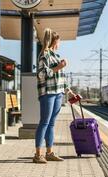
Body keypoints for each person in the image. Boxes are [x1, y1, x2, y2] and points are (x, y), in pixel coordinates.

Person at [34, 28, 75, 164]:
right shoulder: (44, 55)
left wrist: (68, 91)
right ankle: (38, 154)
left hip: (58, 93)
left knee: (51, 124)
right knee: (44, 122)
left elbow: (61, 78)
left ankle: (49, 152)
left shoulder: (56, 56)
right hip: (48, 93)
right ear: (53, 41)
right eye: (59, 41)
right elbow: (41, 75)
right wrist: (59, 67)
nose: (60, 44)